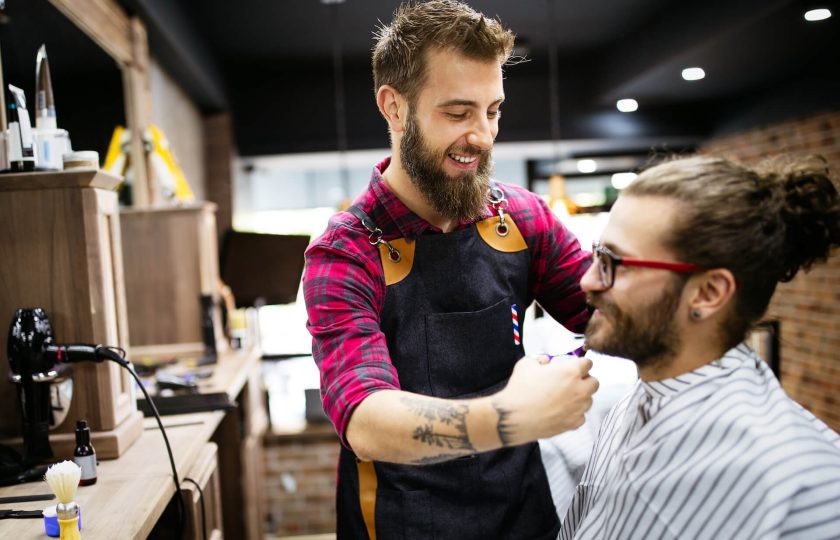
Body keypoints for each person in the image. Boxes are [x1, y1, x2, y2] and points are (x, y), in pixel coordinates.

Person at [302, 1, 598, 538]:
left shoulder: (523, 218)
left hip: (522, 512)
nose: (483, 136)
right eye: (458, 114)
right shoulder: (345, 252)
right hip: (402, 520)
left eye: (493, 111)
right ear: (394, 107)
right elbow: (364, 419)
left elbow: (606, 313)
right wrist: (513, 417)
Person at [560, 154, 840, 540]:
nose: (587, 281)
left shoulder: (791, 477)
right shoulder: (634, 402)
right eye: (596, 255)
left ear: (708, 293)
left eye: (614, 262)